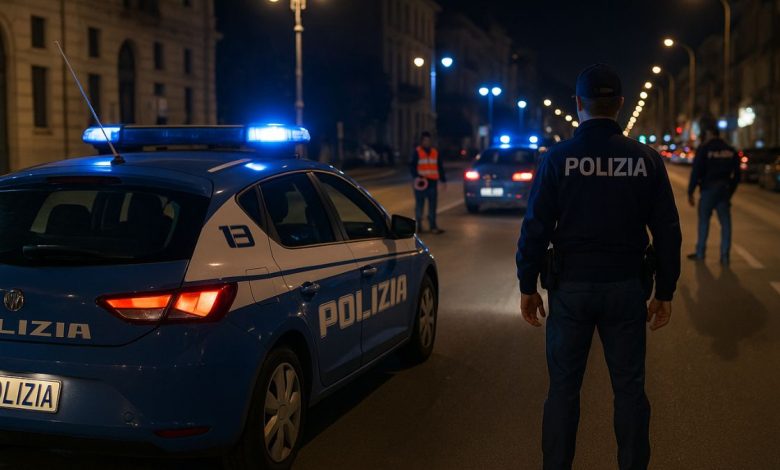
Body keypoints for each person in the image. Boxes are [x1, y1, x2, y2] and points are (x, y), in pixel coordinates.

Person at [516, 64, 682, 470]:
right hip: (626, 287)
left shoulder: (558, 158)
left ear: (578, 104)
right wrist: (665, 291)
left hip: (570, 287)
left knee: (563, 391)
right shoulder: (646, 160)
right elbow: (667, 231)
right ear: (620, 106)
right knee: (629, 391)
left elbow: (535, 226)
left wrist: (527, 284)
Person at [687, 117, 740, 265]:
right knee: (726, 224)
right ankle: (724, 256)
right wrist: (730, 191)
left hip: (708, 189)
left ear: (710, 133)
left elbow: (696, 171)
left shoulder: (704, 149)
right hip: (724, 190)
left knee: (704, 221)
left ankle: (700, 253)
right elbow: (737, 174)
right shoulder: (730, 149)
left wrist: (690, 191)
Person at [410, 131, 446, 234]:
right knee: (419, 205)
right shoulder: (417, 152)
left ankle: (433, 226)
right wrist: (417, 176)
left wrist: (443, 180)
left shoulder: (435, 152)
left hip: (432, 183)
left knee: (432, 205)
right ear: (421, 141)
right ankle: (419, 227)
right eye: (425, 140)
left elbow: (439, 167)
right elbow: (412, 166)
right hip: (421, 183)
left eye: (429, 140)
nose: (427, 142)